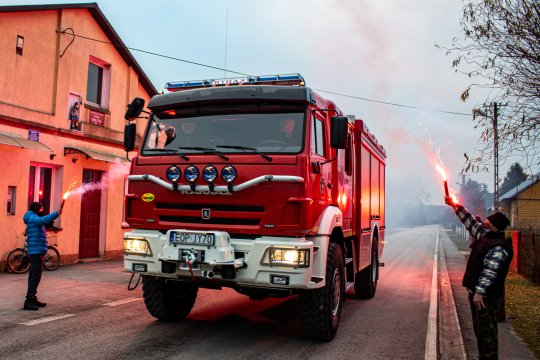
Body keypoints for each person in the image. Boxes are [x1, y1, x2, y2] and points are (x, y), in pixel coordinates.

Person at [445, 196, 513, 360]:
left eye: (489, 222)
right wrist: (455, 206)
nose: (485, 222)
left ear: (495, 228)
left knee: (487, 333)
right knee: (480, 332)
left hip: (485, 298)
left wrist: (479, 292)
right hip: (477, 295)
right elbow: (469, 221)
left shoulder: (499, 247)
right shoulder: (486, 236)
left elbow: (490, 272)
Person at [22, 202, 63, 311]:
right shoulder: (34, 218)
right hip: (35, 251)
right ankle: (29, 300)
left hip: (36, 250)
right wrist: (56, 213)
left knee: (34, 275)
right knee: (35, 275)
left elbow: (41, 224)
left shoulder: (31, 217)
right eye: (41, 208)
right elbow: (42, 220)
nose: (42, 210)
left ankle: (32, 297)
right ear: (37, 209)